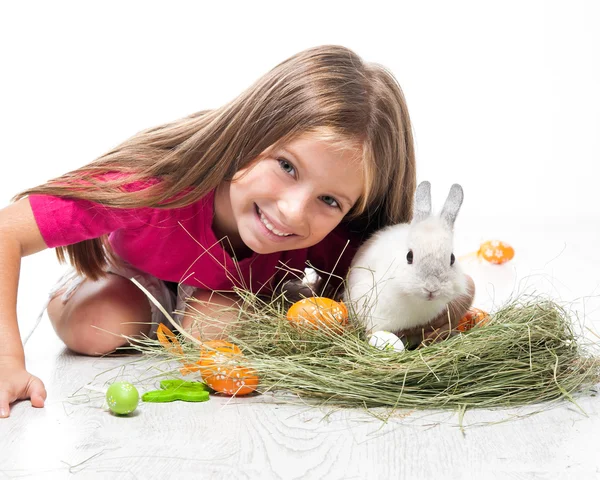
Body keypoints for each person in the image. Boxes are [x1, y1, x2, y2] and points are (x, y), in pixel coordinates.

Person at [0, 45, 472, 418]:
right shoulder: (154, 184)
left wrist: (446, 308)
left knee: (218, 336)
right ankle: (139, 308)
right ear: (251, 132)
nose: (291, 212)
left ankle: (216, 314)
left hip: (227, 291)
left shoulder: (335, 235)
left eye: (330, 200)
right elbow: (7, 231)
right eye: (286, 166)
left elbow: (407, 283)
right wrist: (7, 361)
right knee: (97, 325)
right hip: (134, 274)